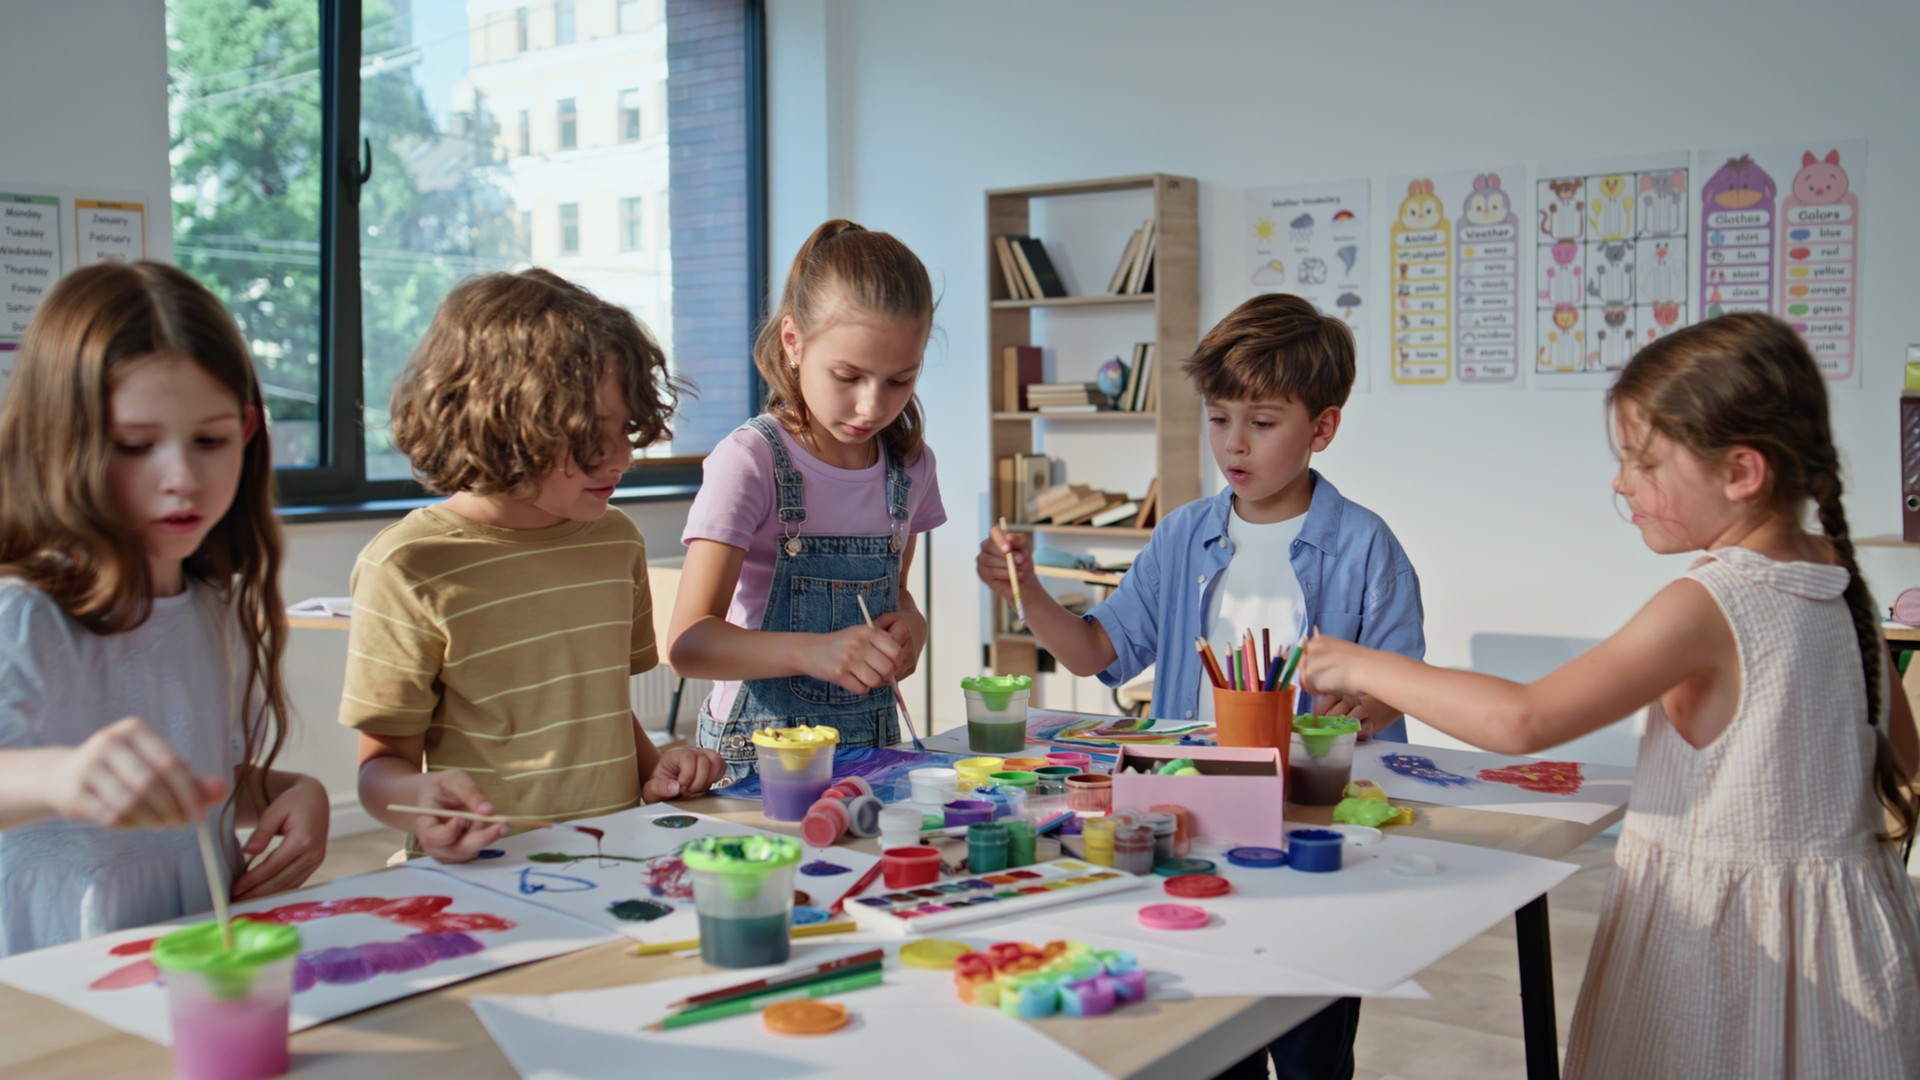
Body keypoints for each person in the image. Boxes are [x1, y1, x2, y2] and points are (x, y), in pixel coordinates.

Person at [1301, 313, 1920, 1078]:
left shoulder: (1712, 602)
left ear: (1741, 472)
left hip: (1727, 954)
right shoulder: (1838, 583)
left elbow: (1523, 720)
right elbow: (1904, 751)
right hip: (1850, 942)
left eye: (1645, 463)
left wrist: (1358, 664)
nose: (1622, 483)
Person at [979, 292, 1425, 1078]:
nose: (1233, 443)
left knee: (1312, 1039)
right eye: (1218, 418)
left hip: (1311, 829)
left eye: (1261, 421)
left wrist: (1350, 706)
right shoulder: (1185, 533)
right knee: (1211, 1036)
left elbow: (1399, 688)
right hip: (1198, 816)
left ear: (1322, 428)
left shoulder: (1365, 546)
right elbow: (1093, 653)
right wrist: (1028, 593)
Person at [0, 261, 328, 955]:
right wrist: (59, 777)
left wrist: (288, 792)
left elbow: (188, 789)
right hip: (51, 967)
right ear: (63, 442)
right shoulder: (24, 616)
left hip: (190, 951)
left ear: (244, 432)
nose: (182, 479)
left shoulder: (212, 608)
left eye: (209, 441)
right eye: (136, 446)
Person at [344, 269, 723, 862]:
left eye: (624, 430)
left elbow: (597, 704)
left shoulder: (615, 541)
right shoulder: (409, 565)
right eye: (591, 436)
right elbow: (379, 768)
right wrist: (420, 797)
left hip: (616, 856)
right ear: (504, 426)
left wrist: (658, 771)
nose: (622, 457)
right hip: (487, 873)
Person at [670, 220, 945, 783]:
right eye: (847, 375)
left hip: (872, 749)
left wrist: (912, 629)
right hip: (756, 758)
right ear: (793, 343)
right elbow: (688, 643)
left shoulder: (910, 467)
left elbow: (898, 595)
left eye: (900, 380)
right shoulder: (751, 461)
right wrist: (812, 652)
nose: (871, 406)